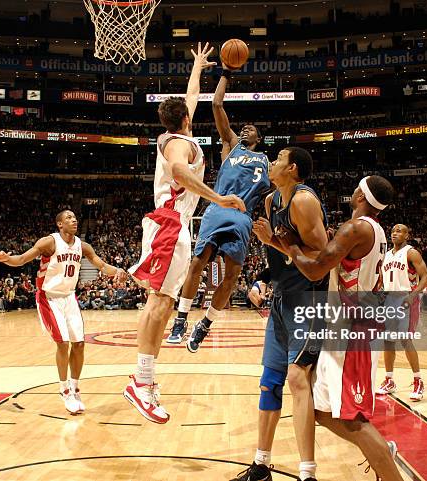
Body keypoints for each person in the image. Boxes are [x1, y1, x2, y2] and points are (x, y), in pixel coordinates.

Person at [125, 42, 246, 424]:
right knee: (159, 304)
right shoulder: (179, 143)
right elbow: (179, 171)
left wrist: (197, 68)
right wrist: (218, 198)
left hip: (170, 225)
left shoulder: (179, 132)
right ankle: (142, 384)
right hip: (170, 224)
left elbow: (191, 97)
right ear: (186, 121)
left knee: (157, 302)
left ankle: (142, 379)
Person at [276, 176, 404, 481]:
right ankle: (380, 449)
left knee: (354, 420)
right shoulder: (373, 229)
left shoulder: (356, 228)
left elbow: (314, 269)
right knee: (320, 411)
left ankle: (385, 462)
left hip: (354, 329)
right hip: (347, 326)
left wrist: (289, 245)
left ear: (361, 194)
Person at [232, 147, 328, 481]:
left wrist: (272, 242)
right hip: (283, 297)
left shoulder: (303, 201)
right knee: (269, 382)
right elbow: (280, 256)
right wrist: (261, 280)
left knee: (298, 379)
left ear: (293, 169)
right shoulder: (273, 201)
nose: (271, 163)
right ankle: (261, 465)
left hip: (308, 299)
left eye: (278, 159)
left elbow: (320, 258)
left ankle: (308, 474)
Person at [168, 62, 270, 351]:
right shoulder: (231, 144)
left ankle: (205, 324)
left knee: (232, 276)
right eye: (244, 127)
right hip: (217, 208)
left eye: (252, 128)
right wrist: (226, 73)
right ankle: (182, 318)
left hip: (243, 217)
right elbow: (216, 104)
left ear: (259, 140)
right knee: (198, 263)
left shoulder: (268, 162)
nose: (246, 128)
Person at [0, 209, 126, 415]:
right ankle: (64, 389)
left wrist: (116, 271)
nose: (74, 220)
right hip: (49, 298)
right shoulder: (49, 242)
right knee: (62, 343)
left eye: (74, 218)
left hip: (69, 297)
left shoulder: (83, 246)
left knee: (80, 344)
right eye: (68, 218)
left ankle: (75, 388)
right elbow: (21, 259)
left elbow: (100, 265)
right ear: (59, 224)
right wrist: (5, 259)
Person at [376, 224, 427, 401]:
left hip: (407, 297)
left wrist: (413, 295)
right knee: (388, 341)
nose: (395, 233)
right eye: (392, 231)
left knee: (406, 340)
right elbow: (382, 279)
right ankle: (389, 379)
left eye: (399, 231)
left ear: (407, 235)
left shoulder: (411, 252)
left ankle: (418, 380)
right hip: (389, 299)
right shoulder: (386, 255)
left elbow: (426, 277)